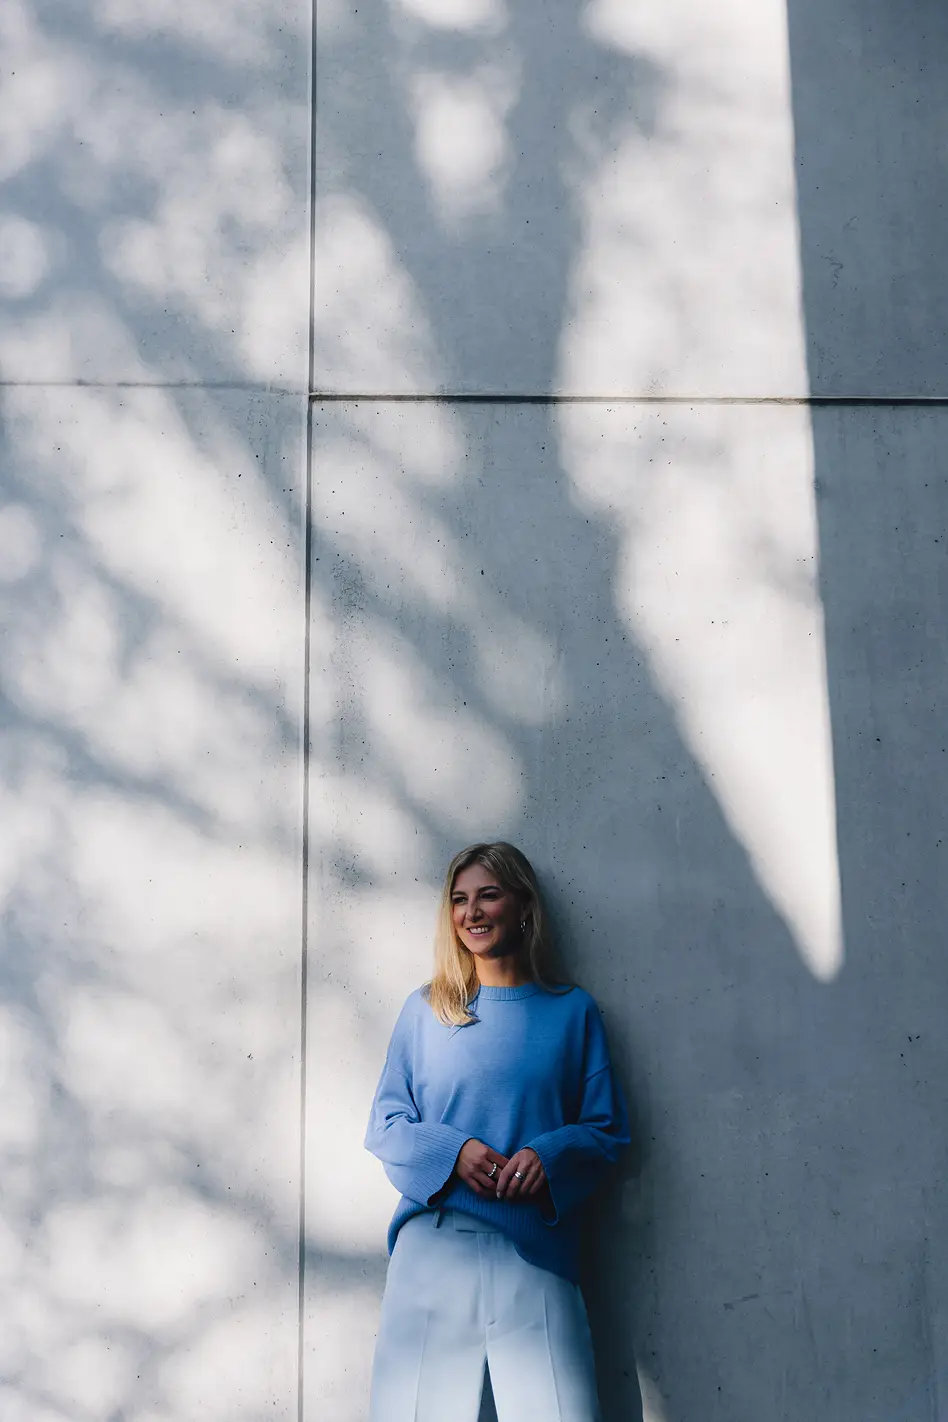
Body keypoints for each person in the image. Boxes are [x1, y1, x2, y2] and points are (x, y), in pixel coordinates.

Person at [364, 840, 630, 1421]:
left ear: (523, 905)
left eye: (488, 894)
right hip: (433, 1249)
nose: (472, 912)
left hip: (537, 1255)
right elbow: (385, 1125)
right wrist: (452, 1151)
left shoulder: (573, 1012)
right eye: (459, 900)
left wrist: (548, 1154)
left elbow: (607, 1131)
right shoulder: (426, 1009)